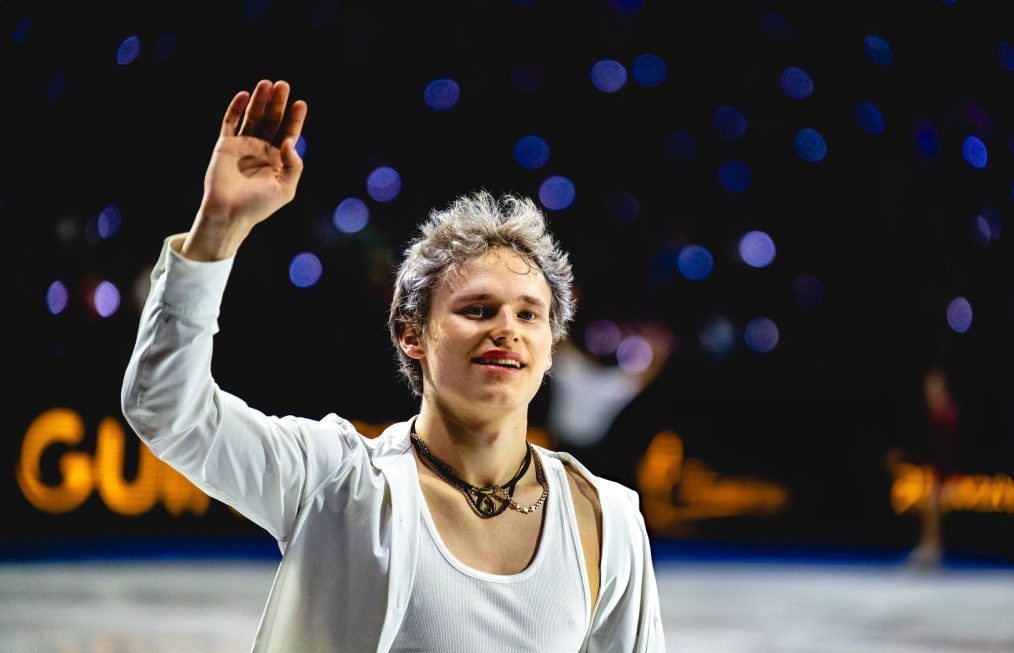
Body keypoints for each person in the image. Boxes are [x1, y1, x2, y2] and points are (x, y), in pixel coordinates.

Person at [121, 79, 664, 652]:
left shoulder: (609, 520)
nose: (506, 327)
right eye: (477, 309)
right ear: (412, 334)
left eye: (529, 315)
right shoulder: (335, 480)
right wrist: (217, 229)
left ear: (550, 347)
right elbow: (167, 410)